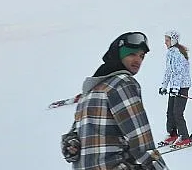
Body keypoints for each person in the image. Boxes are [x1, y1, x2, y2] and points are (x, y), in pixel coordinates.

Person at [68, 33, 166, 170]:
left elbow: (71, 146)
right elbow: (140, 141)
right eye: (132, 54)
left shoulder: (88, 94)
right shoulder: (122, 83)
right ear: (118, 54)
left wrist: (71, 145)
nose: (138, 60)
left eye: (142, 56)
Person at [157, 30, 191, 148]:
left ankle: (184, 137)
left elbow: (179, 73)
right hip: (174, 87)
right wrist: (164, 86)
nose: (165, 42)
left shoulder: (178, 54)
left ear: (173, 40)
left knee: (177, 113)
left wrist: (176, 88)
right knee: (170, 112)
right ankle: (173, 134)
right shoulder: (170, 53)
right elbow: (169, 71)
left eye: (167, 40)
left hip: (182, 87)